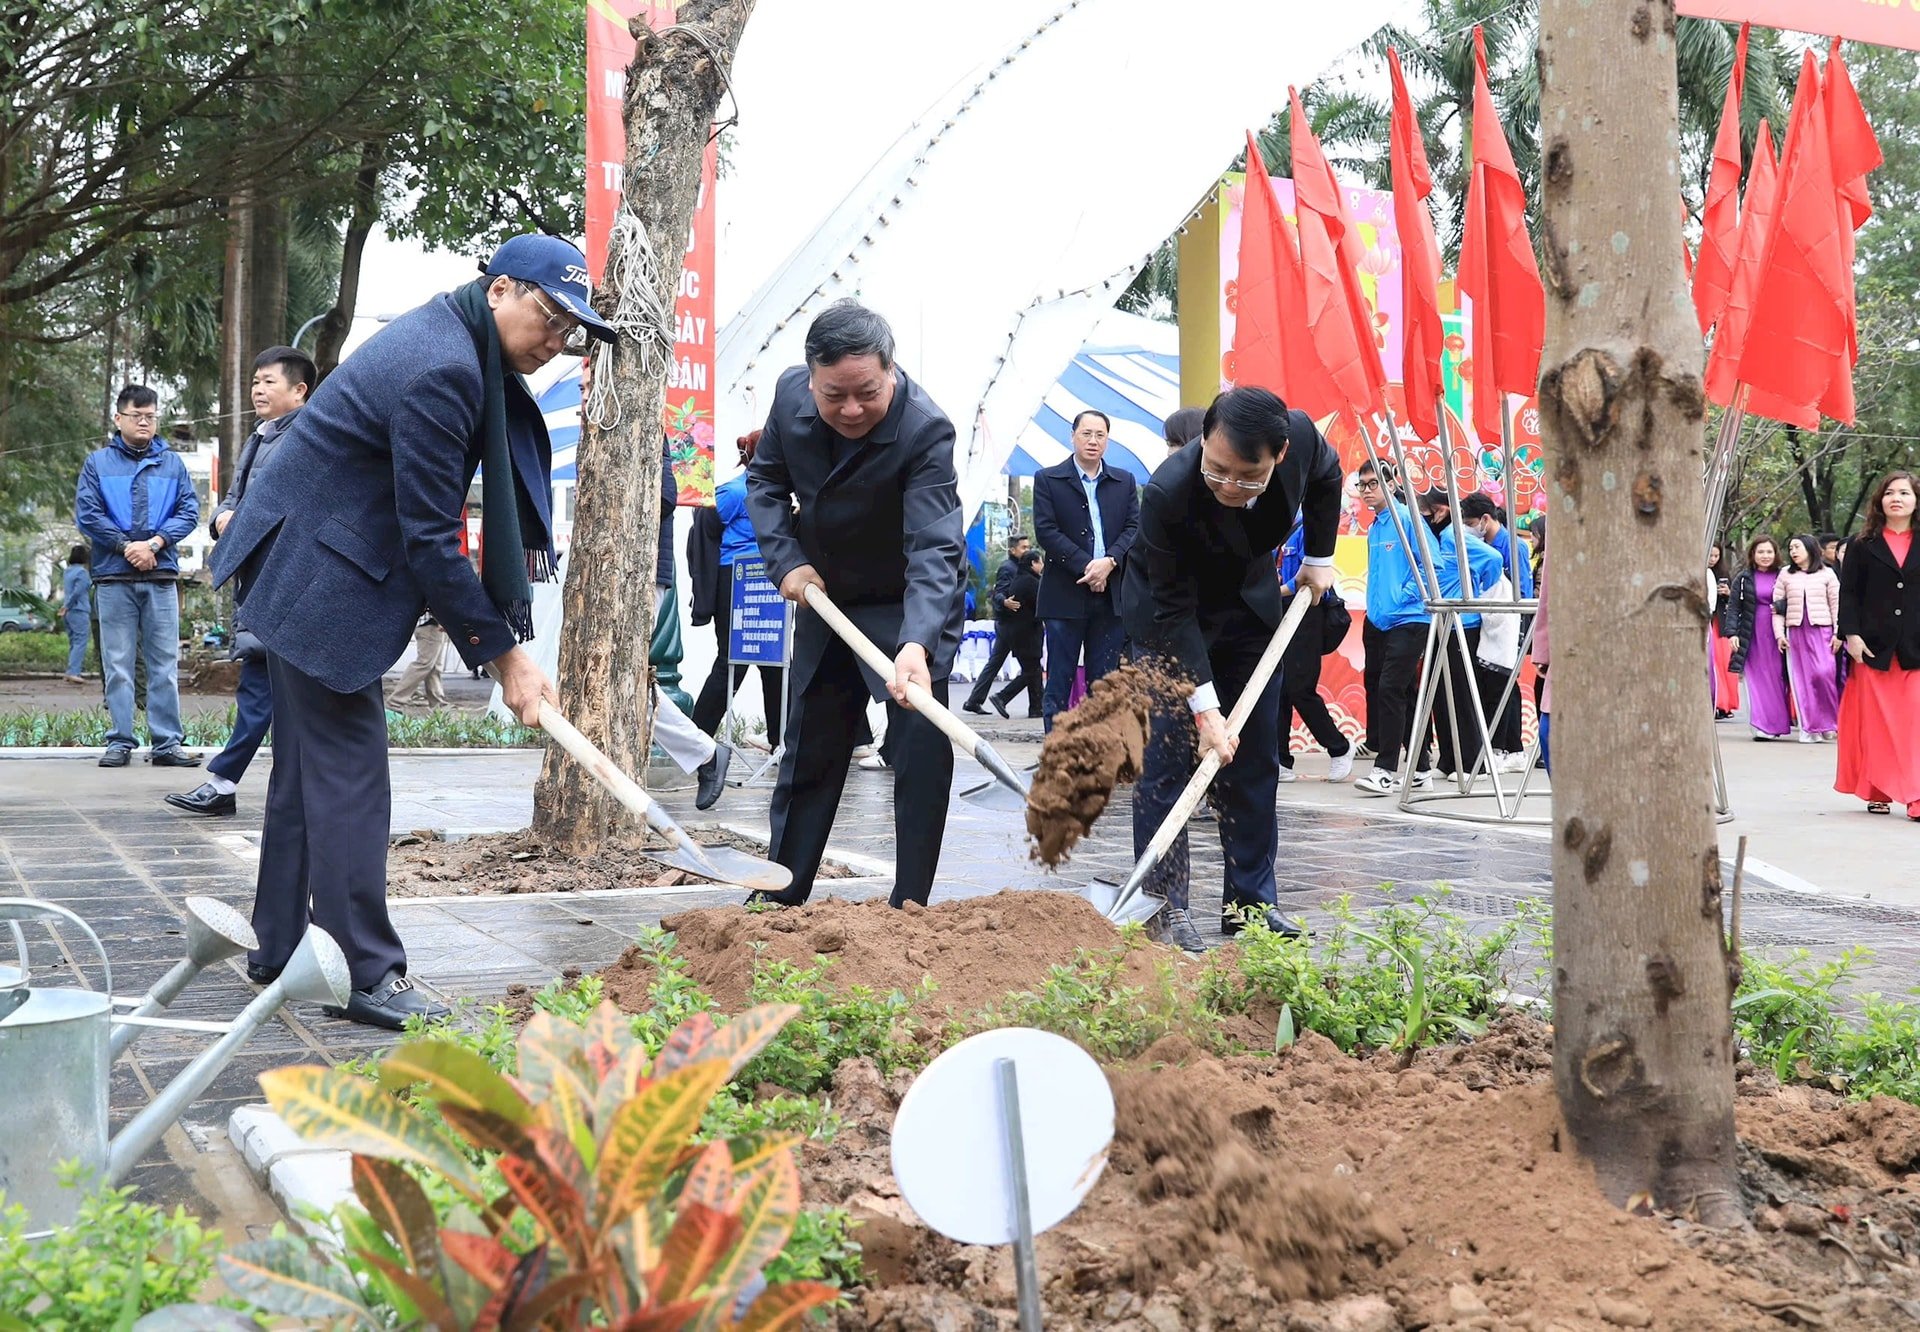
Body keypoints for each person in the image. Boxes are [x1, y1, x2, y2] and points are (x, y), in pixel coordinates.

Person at [212, 233, 612, 1029]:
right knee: (351, 775)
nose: (557, 341)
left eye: (572, 329)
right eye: (551, 317)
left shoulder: (454, 341)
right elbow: (431, 536)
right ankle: (366, 973)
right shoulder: (444, 368)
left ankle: (279, 946)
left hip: (312, 557)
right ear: (499, 290)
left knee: (306, 773)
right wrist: (506, 659)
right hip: (320, 576)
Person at [746, 299, 967, 908]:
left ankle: (911, 906)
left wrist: (917, 642)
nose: (850, 410)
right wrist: (786, 561)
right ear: (811, 379)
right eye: (832, 395)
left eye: (865, 393)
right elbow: (764, 483)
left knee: (919, 748)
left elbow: (934, 547)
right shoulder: (791, 398)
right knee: (810, 747)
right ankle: (778, 897)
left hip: (906, 601)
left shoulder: (925, 429)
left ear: (891, 372)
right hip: (827, 595)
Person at [1124, 387, 1341, 952]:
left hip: (1248, 611)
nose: (1228, 485)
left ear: (1280, 456)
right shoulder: (1168, 492)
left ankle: (1251, 903)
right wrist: (1204, 707)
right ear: (1204, 443)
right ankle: (1164, 909)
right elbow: (1172, 609)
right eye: (1217, 469)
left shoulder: (1303, 440)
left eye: (1249, 477)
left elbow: (1328, 475)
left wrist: (1319, 558)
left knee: (1254, 762)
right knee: (1169, 766)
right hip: (1167, 621)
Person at [168, 346, 316, 817]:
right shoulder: (260, 437)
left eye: (269, 381)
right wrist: (223, 518)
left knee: (287, 694)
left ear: (299, 391)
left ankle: (244, 786)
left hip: (290, 586)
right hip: (258, 582)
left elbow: (299, 509)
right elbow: (231, 500)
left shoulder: (312, 439)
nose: (257, 389)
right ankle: (225, 785)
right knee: (260, 686)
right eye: (255, 381)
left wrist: (245, 520)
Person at [75, 384, 202, 770]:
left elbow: (188, 511)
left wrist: (155, 543)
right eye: (137, 415)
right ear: (119, 418)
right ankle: (120, 741)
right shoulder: (98, 464)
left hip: (160, 575)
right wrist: (126, 546)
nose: (145, 421)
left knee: (164, 663)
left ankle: (166, 744)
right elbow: (88, 514)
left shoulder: (173, 465)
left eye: (151, 415)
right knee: (118, 663)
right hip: (113, 578)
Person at [1033, 409, 1139, 732]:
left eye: (1100, 435)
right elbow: (1046, 531)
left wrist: (1109, 563)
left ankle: (1098, 755)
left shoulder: (1124, 481)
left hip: (1111, 597)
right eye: (1086, 434)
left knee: (1104, 682)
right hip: (1064, 596)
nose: (1093, 441)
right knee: (1059, 680)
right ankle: (1056, 753)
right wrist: (1088, 567)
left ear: (1108, 440)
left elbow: (1134, 527)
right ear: (1073, 436)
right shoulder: (1048, 479)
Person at [691, 431, 784, 748]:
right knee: (731, 662)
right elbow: (703, 531)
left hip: (768, 583)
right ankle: (696, 738)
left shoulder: (776, 492)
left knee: (775, 664)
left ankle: (780, 739)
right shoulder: (733, 492)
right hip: (737, 580)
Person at [1836, 471, 1920, 818]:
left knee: (1914, 724)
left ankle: (1915, 793)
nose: (1896, 498)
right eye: (1889, 493)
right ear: (1879, 501)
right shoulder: (1862, 544)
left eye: (1904, 492)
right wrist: (1850, 634)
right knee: (1878, 723)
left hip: (1915, 645)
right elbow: (1849, 594)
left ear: (1916, 500)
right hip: (1873, 647)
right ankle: (1878, 788)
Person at [1353, 459, 1437, 796]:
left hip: (1411, 618)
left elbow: (1433, 564)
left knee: (1390, 689)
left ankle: (1386, 769)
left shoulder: (1406, 519)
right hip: (1380, 621)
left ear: (1393, 483)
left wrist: (1405, 596)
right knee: (1400, 692)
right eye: (1363, 485)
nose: (1368, 491)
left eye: (1374, 484)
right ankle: (1420, 769)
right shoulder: (1376, 526)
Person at [1419, 489, 1504, 779]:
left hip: (1462, 624)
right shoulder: (1440, 539)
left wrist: (1475, 596)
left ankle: (1472, 762)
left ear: (1441, 511)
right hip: (1441, 622)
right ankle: (1449, 758)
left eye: (1427, 511)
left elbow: (1493, 560)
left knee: (1461, 693)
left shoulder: (1456, 536)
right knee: (1440, 692)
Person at [1460, 492, 1536, 762]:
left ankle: (1505, 747)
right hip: (1489, 622)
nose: (1469, 529)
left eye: (1469, 522)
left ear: (1484, 519)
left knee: (1504, 683)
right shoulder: (1483, 545)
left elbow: (1521, 590)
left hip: (1509, 622)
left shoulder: (1511, 546)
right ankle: (1509, 746)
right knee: (1499, 684)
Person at [1276, 521, 1354, 783]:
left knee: (1300, 688)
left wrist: (1275, 592)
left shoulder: (1307, 528)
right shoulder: (1274, 528)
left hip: (1307, 611)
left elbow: (1307, 579)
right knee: (1279, 690)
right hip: (1280, 613)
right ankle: (1281, 760)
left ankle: (1339, 747)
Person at [1774, 534, 1842, 743]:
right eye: (1791, 548)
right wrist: (1779, 634)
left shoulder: (1827, 574)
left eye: (1797, 547)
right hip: (1796, 632)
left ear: (1810, 549)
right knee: (1802, 681)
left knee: (1824, 674)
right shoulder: (1785, 574)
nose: (1793, 551)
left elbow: (1837, 605)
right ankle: (1810, 728)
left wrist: (1839, 632)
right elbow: (1777, 608)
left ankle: (1830, 722)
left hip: (1823, 631)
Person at [963, 532, 1037, 715]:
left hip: (1010, 625)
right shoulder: (1008, 568)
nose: (1027, 550)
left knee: (995, 663)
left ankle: (974, 700)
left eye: (1028, 547)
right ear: (1012, 550)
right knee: (1031, 667)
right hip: (1009, 624)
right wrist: (1004, 602)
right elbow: (999, 591)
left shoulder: (1020, 567)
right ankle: (1007, 699)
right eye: (1023, 547)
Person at [1729, 536, 1791, 740]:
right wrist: (1732, 633)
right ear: (1753, 555)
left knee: (1776, 677)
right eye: (1761, 552)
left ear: (1776, 554)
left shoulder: (1785, 575)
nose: (1765, 556)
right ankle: (1761, 725)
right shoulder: (1744, 578)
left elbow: (1795, 599)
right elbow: (1734, 607)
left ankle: (1776, 724)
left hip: (1778, 632)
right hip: (1751, 632)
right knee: (1756, 679)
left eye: (1769, 552)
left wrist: (1780, 608)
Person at [983, 548, 1044, 717]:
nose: (1042, 566)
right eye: (1040, 562)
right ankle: (1002, 696)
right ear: (1033, 563)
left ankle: (1036, 708)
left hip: (1020, 632)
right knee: (1031, 671)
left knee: (1033, 670)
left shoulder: (1021, 578)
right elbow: (1040, 606)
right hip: (1027, 633)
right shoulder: (1031, 582)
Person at [385, 615, 452, 709]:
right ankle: (395, 702)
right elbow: (435, 601)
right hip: (431, 625)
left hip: (431, 625)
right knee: (424, 664)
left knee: (434, 667)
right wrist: (441, 619)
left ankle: (438, 705)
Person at [1706, 541, 1741, 719]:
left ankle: (1725, 704)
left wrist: (1728, 594)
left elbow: (1735, 603)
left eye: (1716, 556)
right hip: (1708, 621)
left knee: (1724, 664)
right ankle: (1716, 702)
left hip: (1721, 623)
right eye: (1710, 555)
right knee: (1713, 663)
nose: (1712, 559)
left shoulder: (1724, 574)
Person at [58, 545, 91, 683]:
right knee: (80, 641)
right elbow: (77, 592)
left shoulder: (67, 571)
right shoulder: (82, 573)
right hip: (79, 609)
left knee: (73, 641)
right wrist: (67, 606)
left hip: (69, 612)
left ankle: (71, 670)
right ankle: (74, 672)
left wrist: (65, 607)